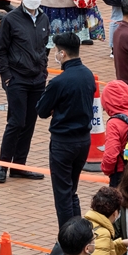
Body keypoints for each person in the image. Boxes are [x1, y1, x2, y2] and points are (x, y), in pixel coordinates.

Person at [0, 0, 50, 182]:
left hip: (37, 80)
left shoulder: (44, 19)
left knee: (29, 123)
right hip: (17, 79)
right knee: (16, 122)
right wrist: (7, 77)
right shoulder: (10, 19)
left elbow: (45, 47)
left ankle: (19, 165)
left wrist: (43, 71)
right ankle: (3, 165)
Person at [36, 33, 95, 227]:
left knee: (62, 194)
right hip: (84, 141)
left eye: (56, 52)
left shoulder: (59, 82)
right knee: (71, 190)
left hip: (63, 143)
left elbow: (42, 110)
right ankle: (77, 232)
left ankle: (68, 241)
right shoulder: (88, 75)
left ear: (62, 53)